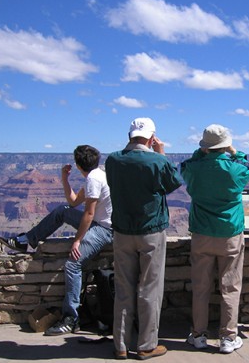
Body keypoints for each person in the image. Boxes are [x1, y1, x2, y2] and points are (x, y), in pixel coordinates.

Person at [0, 145, 113, 336]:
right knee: (61, 211)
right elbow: (73, 202)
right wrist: (64, 179)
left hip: (103, 229)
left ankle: (71, 318)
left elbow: (88, 213)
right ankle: (27, 240)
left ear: (78, 165)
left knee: (73, 265)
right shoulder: (98, 174)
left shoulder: (94, 178)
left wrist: (77, 240)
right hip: (97, 223)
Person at [105, 117, 182, 361]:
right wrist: (162, 155)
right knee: (150, 289)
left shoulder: (113, 160)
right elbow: (173, 184)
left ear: (129, 136)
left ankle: (120, 345)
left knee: (123, 288)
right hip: (151, 231)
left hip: (122, 232)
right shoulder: (156, 160)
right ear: (151, 138)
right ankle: (146, 345)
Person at [180, 124, 249, 354]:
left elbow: (183, 166)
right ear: (225, 145)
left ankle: (199, 335)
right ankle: (228, 338)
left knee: (201, 287)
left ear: (204, 146)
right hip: (230, 233)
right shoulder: (235, 169)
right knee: (230, 287)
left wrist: (200, 152)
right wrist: (234, 151)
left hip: (202, 233)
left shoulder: (194, 168)